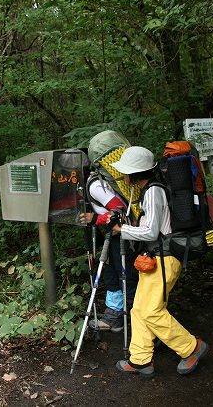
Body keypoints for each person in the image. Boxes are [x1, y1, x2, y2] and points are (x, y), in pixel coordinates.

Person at [110, 146, 209, 377]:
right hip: (155, 258)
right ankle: (140, 359)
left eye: (125, 171)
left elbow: (151, 233)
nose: (123, 175)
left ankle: (191, 347)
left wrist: (120, 229)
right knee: (139, 310)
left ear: (135, 173)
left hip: (164, 259)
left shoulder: (154, 191)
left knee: (152, 311)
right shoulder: (149, 190)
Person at [79, 131, 138, 332]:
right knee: (112, 275)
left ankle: (130, 318)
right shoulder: (100, 181)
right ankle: (115, 316)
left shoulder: (95, 185)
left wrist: (94, 219)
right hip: (116, 235)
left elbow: (118, 211)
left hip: (121, 235)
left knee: (125, 275)